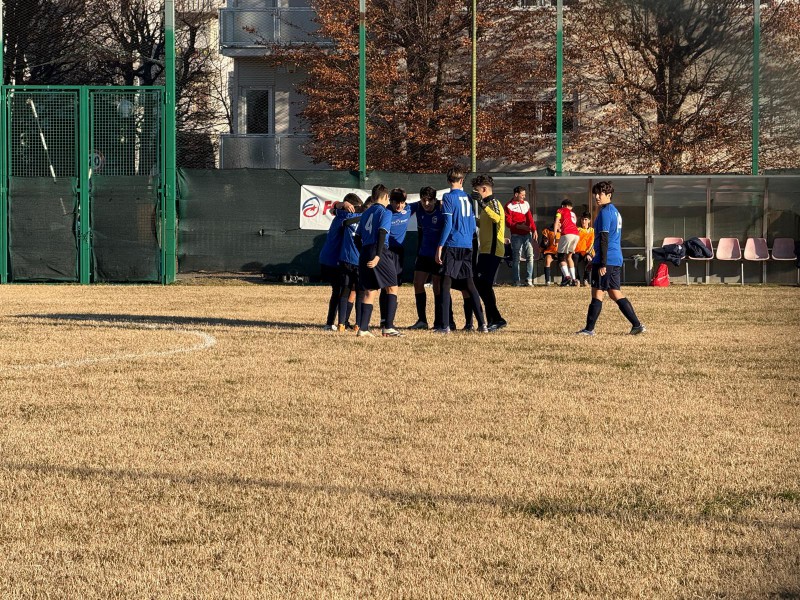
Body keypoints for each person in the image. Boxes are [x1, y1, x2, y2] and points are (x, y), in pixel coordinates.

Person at [577, 181, 646, 336]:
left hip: (607, 258)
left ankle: (589, 329)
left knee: (597, 293)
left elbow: (604, 238)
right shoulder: (615, 211)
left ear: (609, 195)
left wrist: (601, 263)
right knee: (615, 293)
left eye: (600, 194)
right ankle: (637, 325)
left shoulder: (605, 212)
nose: (597, 197)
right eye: (595, 194)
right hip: (615, 258)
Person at [435, 165, 487, 334]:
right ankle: (482, 324)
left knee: (445, 284)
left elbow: (448, 224)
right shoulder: (467, 197)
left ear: (448, 180)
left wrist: (440, 246)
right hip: (468, 244)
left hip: (453, 244)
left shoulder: (448, 197)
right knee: (470, 284)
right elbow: (472, 225)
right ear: (462, 180)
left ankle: (445, 325)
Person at [353, 185, 397, 337]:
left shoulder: (365, 213)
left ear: (372, 197)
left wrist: (363, 253)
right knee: (392, 287)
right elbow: (382, 232)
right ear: (386, 197)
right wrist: (377, 255)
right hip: (379, 250)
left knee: (370, 290)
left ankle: (363, 329)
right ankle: (388, 327)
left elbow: (357, 237)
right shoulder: (386, 212)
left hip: (365, 251)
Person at [472, 174, 507, 331]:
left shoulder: (494, 203)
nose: (475, 193)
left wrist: (482, 204)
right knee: (481, 285)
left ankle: (496, 319)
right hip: (485, 250)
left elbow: (497, 218)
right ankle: (494, 318)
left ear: (484, 189)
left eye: (477, 190)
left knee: (484, 285)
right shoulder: (486, 205)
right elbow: (484, 223)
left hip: (493, 251)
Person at [318, 194, 356, 330]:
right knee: (339, 291)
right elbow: (333, 208)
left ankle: (340, 322)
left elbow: (332, 209)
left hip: (328, 259)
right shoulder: (345, 217)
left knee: (343, 290)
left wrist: (340, 205)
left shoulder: (340, 215)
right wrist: (342, 204)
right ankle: (332, 323)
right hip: (333, 261)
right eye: (354, 208)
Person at [337, 195, 368, 332]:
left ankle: (341, 324)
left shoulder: (346, 216)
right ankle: (358, 324)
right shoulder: (367, 220)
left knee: (345, 292)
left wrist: (343, 204)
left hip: (346, 260)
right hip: (360, 262)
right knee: (360, 294)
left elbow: (333, 209)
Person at [505, 186, 537, 287]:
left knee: (530, 256)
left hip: (527, 234)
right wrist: (519, 226)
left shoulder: (526, 204)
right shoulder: (509, 206)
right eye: (522, 195)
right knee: (516, 257)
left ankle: (529, 279)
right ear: (516, 194)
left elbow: (530, 218)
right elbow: (508, 222)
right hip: (516, 235)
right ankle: (516, 281)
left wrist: (534, 229)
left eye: (524, 195)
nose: (524, 197)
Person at [554, 198, 580, 286]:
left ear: (563, 206)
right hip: (576, 234)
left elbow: (556, 222)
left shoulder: (560, 210)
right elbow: (570, 224)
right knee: (569, 256)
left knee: (560, 256)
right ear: (571, 207)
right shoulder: (573, 214)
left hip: (567, 234)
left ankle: (567, 277)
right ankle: (574, 279)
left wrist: (555, 235)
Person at [574, 211, 595, 287]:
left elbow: (592, 243)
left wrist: (588, 253)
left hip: (587, 252)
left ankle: (586, 279)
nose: (583, 221)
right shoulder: (577, 229)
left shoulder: (592, 230)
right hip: (577, 251)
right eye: (582, 219)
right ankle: (577, 279)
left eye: (585, 219)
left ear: (589, 221)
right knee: (574, 259)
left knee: (589, 260)